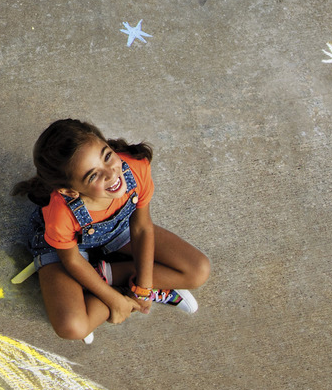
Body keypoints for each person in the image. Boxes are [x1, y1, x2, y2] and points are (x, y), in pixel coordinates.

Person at [13, 119, 209, 343]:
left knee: (198, 270)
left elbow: (142, 228)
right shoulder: (60, 213)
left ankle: (109, 277)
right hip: (66, 251)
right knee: (73, 327)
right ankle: (114, 289)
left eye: (106, 156)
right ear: (69, 190)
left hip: (119, 229)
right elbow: (73, 261)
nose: (110, 173)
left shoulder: (135, 168)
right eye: (93, 175)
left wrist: (144, 287)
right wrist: (115, 302)